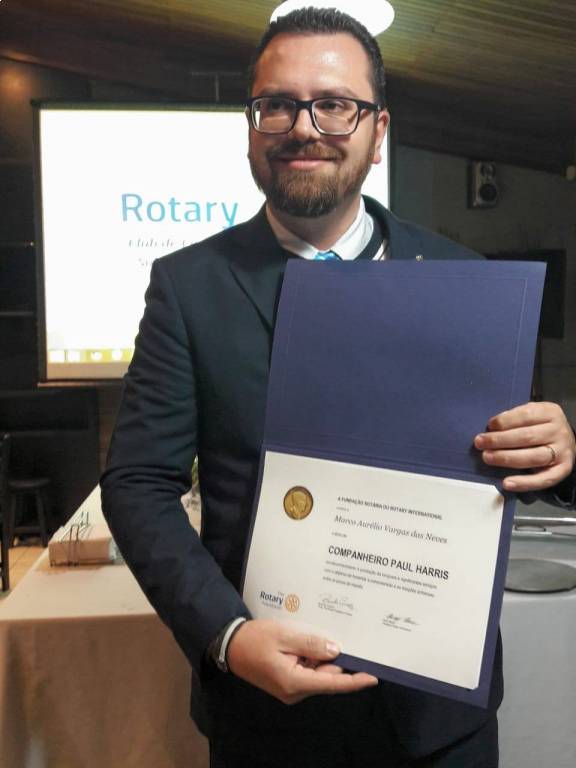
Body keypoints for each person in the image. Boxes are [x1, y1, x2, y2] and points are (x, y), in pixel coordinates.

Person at [101, 8, 576, 768]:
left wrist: (556, 450)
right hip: (268, 716)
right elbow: (137, 484)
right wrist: (229, 635)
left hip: (440, 723)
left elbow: (513, 450)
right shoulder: (190, 287)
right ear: (251, 125)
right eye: (277, 105)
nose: (304, 127)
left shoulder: (468, 278)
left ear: (378, 130)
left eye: (334, 104)